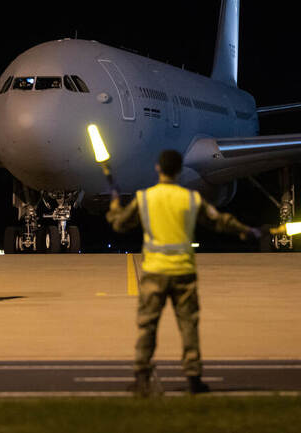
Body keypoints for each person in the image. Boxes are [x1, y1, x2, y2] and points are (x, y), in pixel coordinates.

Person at [107, 150, 260, 396]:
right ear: (178, 171)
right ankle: (193, 379)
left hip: (155, 273)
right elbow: (218, 221)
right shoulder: (190, 199)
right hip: (183, 274)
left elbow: (120, 224)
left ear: (158, 168)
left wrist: (114, 205)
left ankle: (141, 378)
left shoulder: (145, 198)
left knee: (147, 327)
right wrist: (246, 231)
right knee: (189, 326)